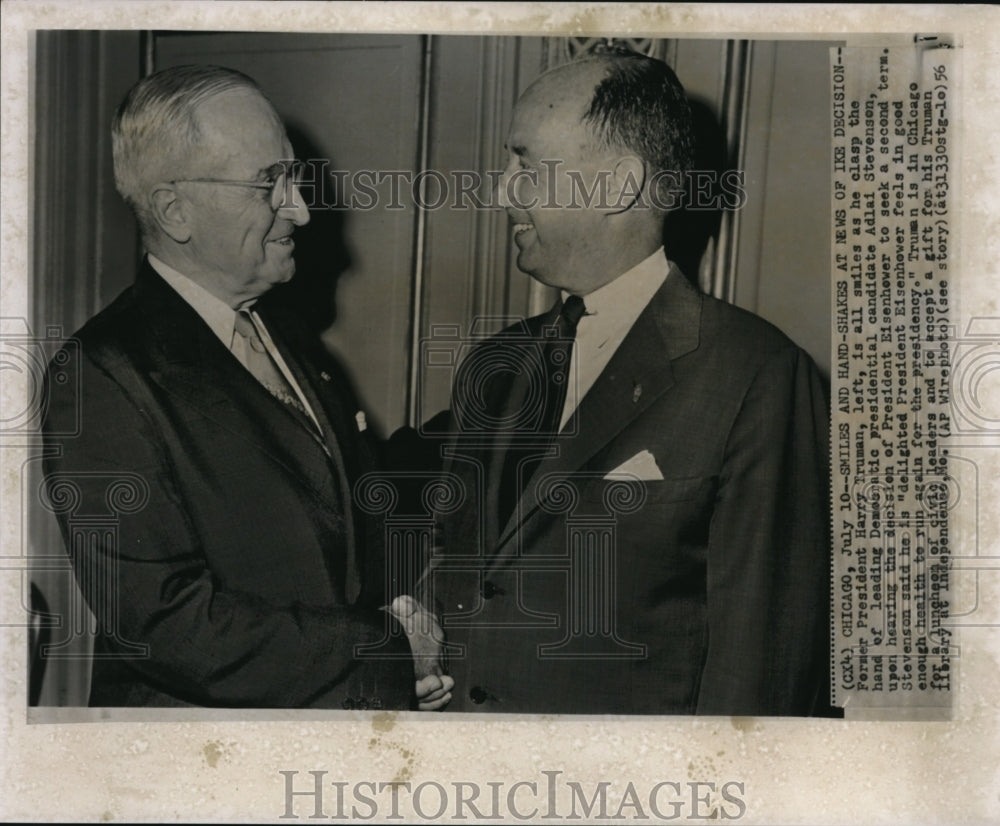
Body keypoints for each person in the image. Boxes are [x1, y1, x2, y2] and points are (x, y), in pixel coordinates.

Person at [427, 51, 831, 715]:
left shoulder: (757, 375)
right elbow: (464, 573)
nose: (502, 192)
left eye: (526, 166)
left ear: (617, 185)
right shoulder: (494, 365)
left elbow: (762, 680)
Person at [41, 65, 452, 710]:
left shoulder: (285, 334)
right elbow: (168, 626)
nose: (302, 209)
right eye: (271, 184)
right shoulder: (102, 374)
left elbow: (345, 503)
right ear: (176, 211)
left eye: (295, 178)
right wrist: (387, 650)